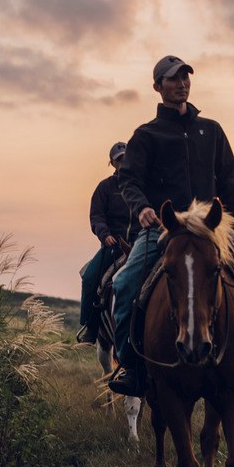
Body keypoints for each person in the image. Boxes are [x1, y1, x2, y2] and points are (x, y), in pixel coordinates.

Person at [108, 54, 234, 396]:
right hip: (165, 228)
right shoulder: (146, 135)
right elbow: (129, 180)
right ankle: (129, 367)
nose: (181, 84)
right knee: (125, 283)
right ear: (157, 87)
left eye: (185, 78)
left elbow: (230, 185)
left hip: (211, 232)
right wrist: (143, 208)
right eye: (173, 79)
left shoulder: (212, 130)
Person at [76, 142, 139, 344]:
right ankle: (90, 326)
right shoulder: (105, 188)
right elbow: (96, 216)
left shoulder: (143, 185)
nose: (123, 162)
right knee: (90, 277)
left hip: (140, 244)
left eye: (126, 158)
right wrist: (105, 235)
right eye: (119, 159)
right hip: (114, 246)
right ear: (112, 163)